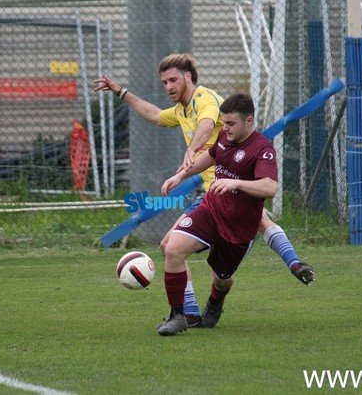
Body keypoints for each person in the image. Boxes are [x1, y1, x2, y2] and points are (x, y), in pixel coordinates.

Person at [94, 54, 313, 326]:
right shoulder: (181, 110)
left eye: (173, 79)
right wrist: (122, 92)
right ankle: (186, 313)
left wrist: (191, 148)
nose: (168, 86)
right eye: (164, 82)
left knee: (228, 266)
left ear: (188, 77)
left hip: (233, 190)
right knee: (172, 246)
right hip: (214, 195)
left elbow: (207, 123)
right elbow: (155, 116)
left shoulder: (204, 99)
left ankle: (287, 266)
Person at [156, 93, 277, 335]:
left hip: (237, 228)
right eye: (224, 122)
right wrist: (180, 175)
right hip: (211, 209)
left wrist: (237, 183)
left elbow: (270, 187)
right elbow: (209, 157)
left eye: (231, 123)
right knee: (172, 248)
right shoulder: (224, 136)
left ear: (249, 121)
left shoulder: (262, 148)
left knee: (222, 279)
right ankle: (178, 315)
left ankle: (215, 302)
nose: (225, 128)